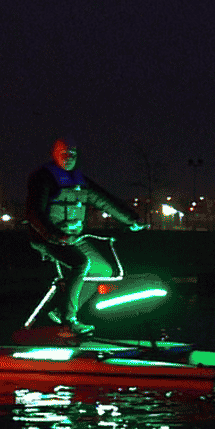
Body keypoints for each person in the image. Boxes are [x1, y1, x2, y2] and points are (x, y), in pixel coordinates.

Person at [25, 138, 145, 335]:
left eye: (72, 153)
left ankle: (59, 312)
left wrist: (132, 219)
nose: (69, 156)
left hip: (73, 238)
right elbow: (33, 213)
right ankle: (69, 320)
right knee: (80, 263)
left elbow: (105, 200)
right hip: (46, 238)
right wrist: (55, 235)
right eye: (64, 152)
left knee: (103, 270)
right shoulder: (43, 178)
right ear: (54, 154)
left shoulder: (80, 181)